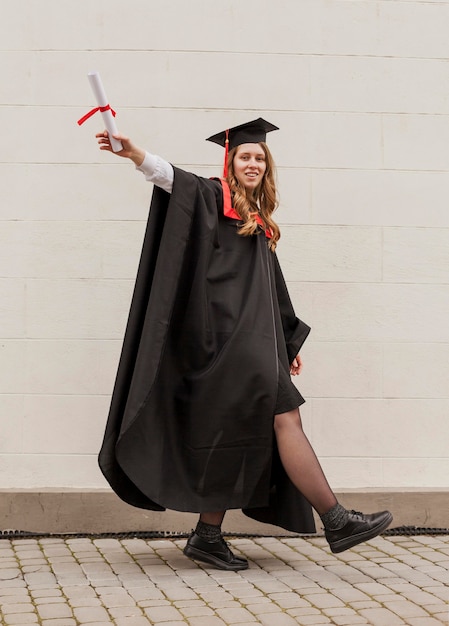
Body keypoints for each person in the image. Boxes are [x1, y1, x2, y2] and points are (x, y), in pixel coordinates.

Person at [96, 118, 393, 571]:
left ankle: (208, 535)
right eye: (245, 157)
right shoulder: (215, 197)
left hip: (255, 344)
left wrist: (289, 340)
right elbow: (172, 179)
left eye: (259, 158)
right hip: (228, 344)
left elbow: (272, 289)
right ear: (230, 162)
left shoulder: (259, 219)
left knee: (238, 432)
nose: (252, 163)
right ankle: (336, 520)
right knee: (284, 417)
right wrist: (136, 155)